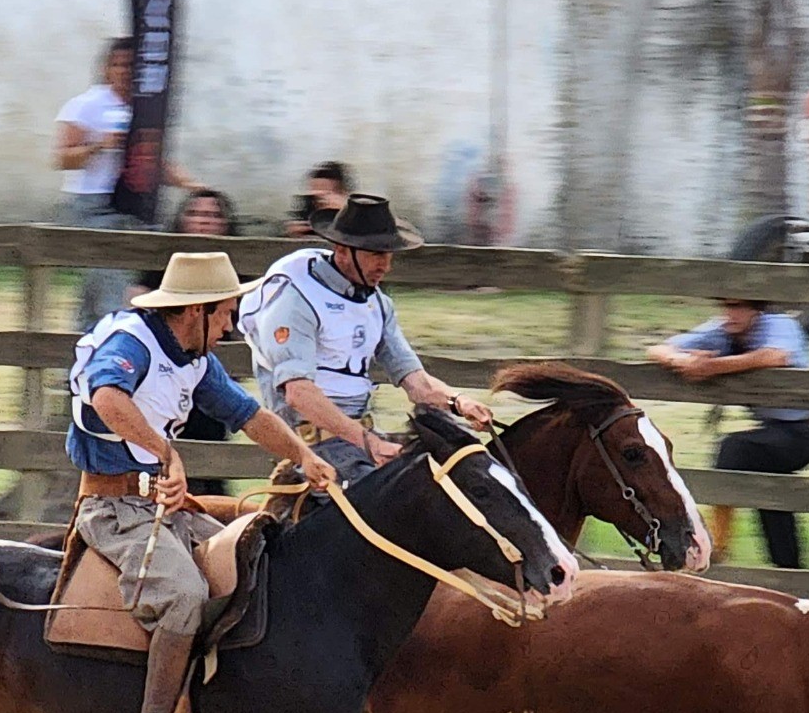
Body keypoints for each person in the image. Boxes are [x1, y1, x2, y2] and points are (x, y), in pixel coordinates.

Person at [69, 250, 335, 713]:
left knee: (253, 560)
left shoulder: (195, 359)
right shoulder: (131, 343)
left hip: (161, 509)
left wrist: (304, 455)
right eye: (228, 313)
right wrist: (165, 453)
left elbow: (249, 415)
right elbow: (105, 398)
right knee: (184, 595)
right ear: (198, 311)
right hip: (114, 508)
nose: (232, 325)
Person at [239, 193, 491, 483]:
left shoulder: (377, 305)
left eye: (388, 254)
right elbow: (298, 393)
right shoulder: (295, 298)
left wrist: (459, 402)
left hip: (359, 441)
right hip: (312, 447)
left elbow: (416, 382)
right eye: (375, 253)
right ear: (342, 250)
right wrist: (369, 442)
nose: (385, 265)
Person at [649, 296, 809, 569]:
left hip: (804, 433)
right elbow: (659, 349)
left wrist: (711, 367)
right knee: (771, 495)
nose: (731, 313)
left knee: (734, 448)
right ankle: (791, 572)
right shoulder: (722, 330)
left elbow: (776, 356)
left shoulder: (779, 325)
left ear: (757, 310)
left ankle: (716, 545)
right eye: (727, 306)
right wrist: (681, 361)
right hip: (771, 432)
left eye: (740, 307)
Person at [55, 37, 195, 326]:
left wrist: (196, 188)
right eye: (118, 65)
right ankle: (109, 346)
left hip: (135, 202)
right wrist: (99, 146)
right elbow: (62, 159)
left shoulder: (146, 109)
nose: (124, 72)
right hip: (95, 202)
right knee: (112, 283)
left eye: (131, 65)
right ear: (106, 69)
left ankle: (80, 350)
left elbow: (155, 162)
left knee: (104, 284)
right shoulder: (86, 105)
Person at [137, 187, 239, 494]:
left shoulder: (230, 269)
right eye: (195, 214)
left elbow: (247, 412)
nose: (203, 222)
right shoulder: (167, 264)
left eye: (212, 215)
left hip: (204, 380)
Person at [285, 159, 352, 237]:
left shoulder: (351, 212)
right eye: (315, 188)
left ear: (342, 192)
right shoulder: (308, 205)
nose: (319, 194)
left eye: (327, 191)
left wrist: (344, 212)